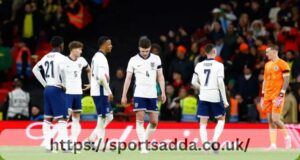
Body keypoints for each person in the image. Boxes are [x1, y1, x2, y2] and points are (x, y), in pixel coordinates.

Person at [121, 36, 166, 153]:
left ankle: (143, 141)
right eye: (142, 51)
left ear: (150, 48)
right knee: (140, 120)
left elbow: (160, 76)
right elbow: (128, 78)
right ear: (139, 49)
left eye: (147, 51)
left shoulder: (156, 59)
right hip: (139, 93)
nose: (145, 53)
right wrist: (124, 95)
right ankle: (143, 145)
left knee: (154, 122)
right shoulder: (133, 60)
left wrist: (163, 91)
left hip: (152, 94)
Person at [32, 36, 68, 152]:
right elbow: (62, 70)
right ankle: (64, 145)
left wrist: (44, 84)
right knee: (62, 118)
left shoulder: (46, 56)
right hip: (57, 88)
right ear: (61, 45)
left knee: (47, 118)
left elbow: (35, 69)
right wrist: (65, 84)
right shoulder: (62, 58)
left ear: (51, 46)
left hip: (47, 89)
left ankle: (48, 145)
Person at [191, 43, 229, 152]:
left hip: (203, 95)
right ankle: (214, 141)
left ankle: (205, 145)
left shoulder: (199, 65)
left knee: (203, 122)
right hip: (215, 95)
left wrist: (202, 88)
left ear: (205, 52)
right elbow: (220, 83)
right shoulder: (219, 65)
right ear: (214, 52)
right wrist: (225, 100)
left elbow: (193, 82)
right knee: (221, 120)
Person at [260, 45, 291, 150]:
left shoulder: (283, 64)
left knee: (276, 119)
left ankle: (287, 137)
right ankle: (273, 145)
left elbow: (286, 80)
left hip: (277, 96)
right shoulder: (267, 65)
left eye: (267, 52)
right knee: (270, 120)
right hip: (267, 96)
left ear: (274, 51)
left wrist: (281, 94)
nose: (266, 54)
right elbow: (265, 80)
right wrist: (262, 95)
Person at [60, 41, 91, 143]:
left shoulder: (81, 60)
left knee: (76, 118)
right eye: (79, 49)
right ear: (73, 49)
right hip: (67, 93)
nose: (81, 51)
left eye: (81, 49)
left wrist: (91, 83)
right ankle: (63, 141)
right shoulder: (64, 61)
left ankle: (73, 141)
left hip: (78, 93)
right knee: (65, 118)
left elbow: (88, 69)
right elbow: (58, 73)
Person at [88, 36, 114, 148]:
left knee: (108, 117)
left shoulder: (96, 56)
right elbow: (101, 78)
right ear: (104, 44)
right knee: (103, 117)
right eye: (109, 44)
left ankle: (92, 138)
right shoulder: (101, 58)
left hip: (98, 91)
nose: (111, 46)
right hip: (101, 91)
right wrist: (109, 92)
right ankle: (100, 143)